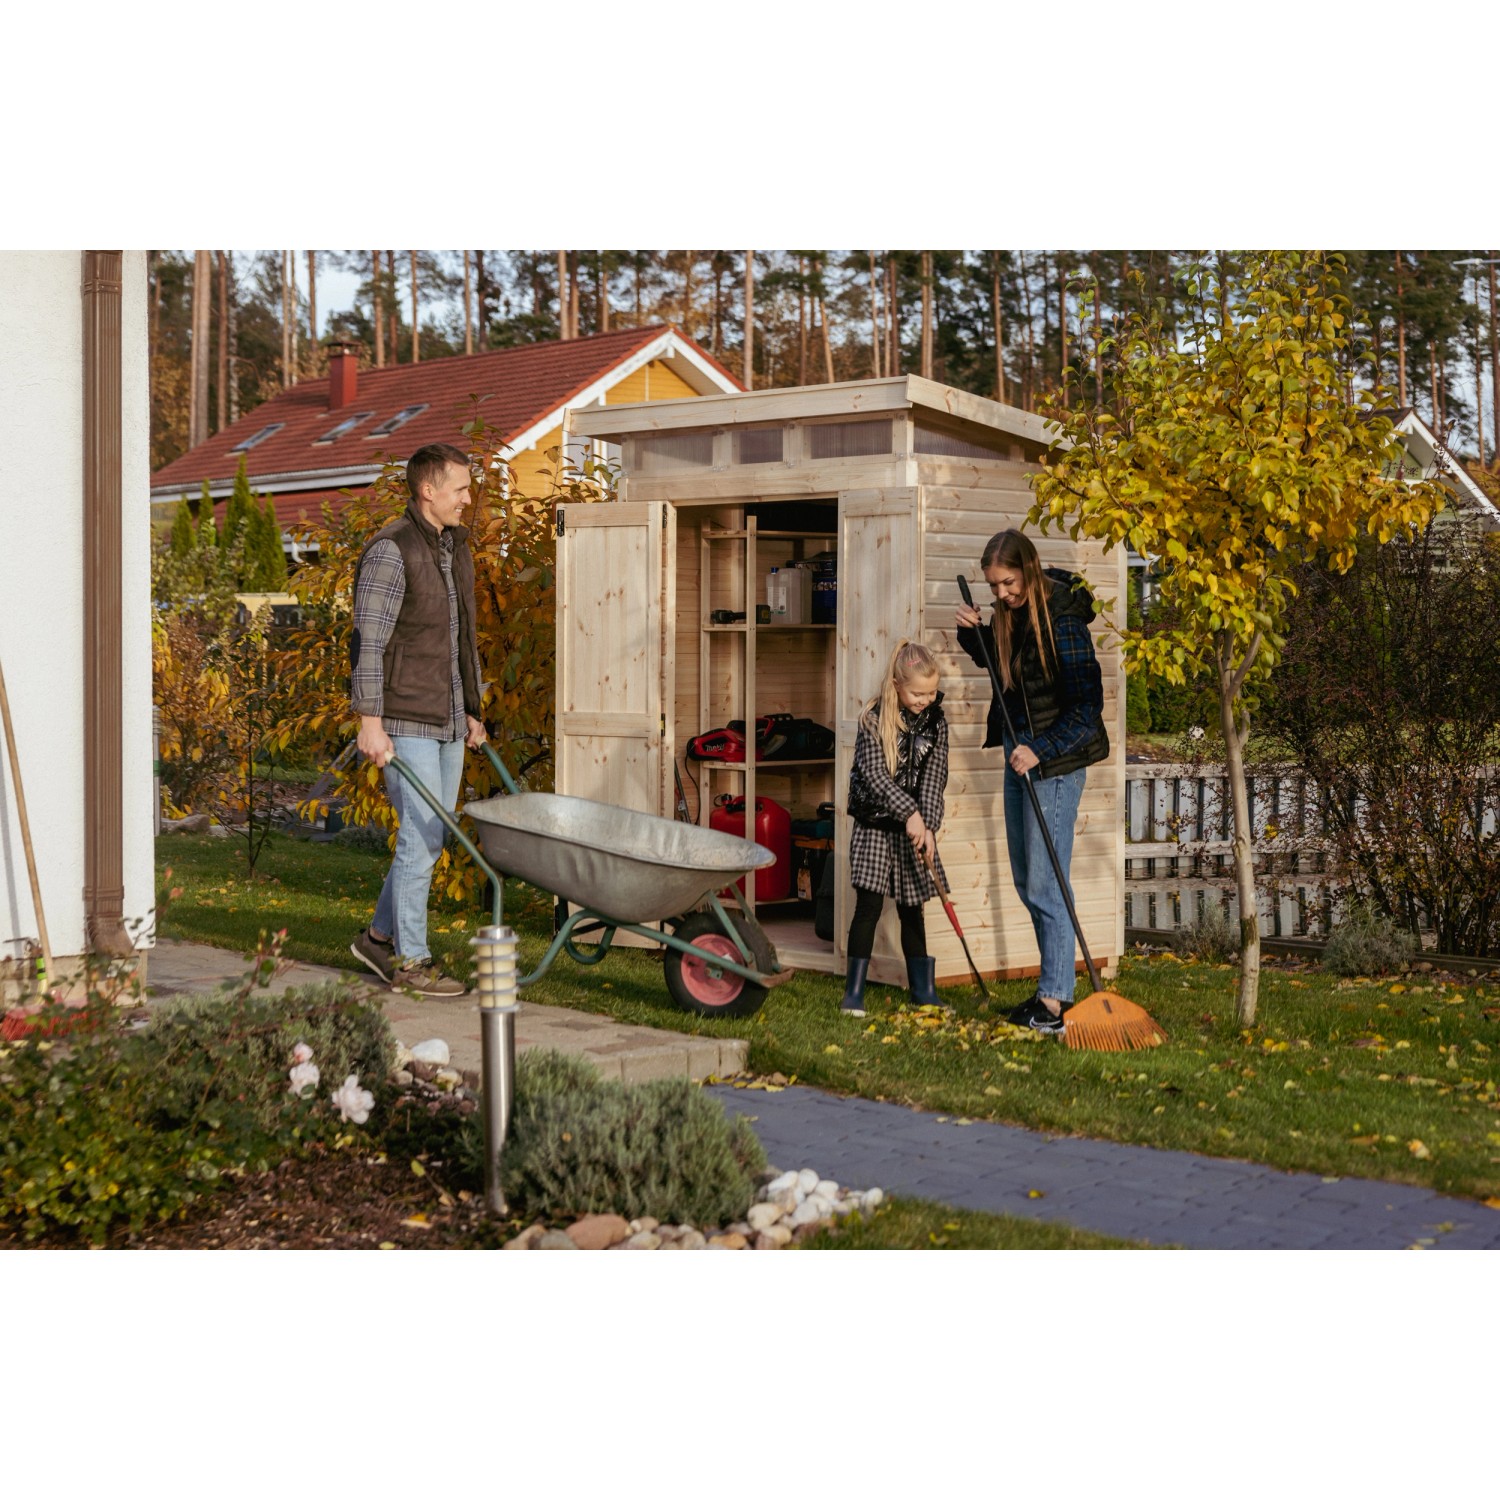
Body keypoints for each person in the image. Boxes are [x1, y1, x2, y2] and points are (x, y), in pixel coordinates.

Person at [955, 528, 1109, 1034]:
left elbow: (1087, 711)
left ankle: (1055, 1001)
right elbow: (1011, 679)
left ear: (1028, 568)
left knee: (1046, 882)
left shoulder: (1063, 621)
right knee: (1028, 878)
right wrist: (975, 636)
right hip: (1020, 755)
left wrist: (1039, 748)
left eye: (1007, 583)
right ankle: (1053, 988)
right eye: (994, 587)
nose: (1001, 594)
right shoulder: (1009, 617)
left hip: (1055, 765)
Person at [348, 442, 488, 996]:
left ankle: (378, 939)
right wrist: (369, 721)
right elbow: (369, 642)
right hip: (404, 719)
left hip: (447, 717)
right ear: (427, 490)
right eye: (459, 488)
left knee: (431, 836)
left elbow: (459, 640)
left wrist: (472, 712)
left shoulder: (453, 548)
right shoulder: (392, 549)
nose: (467, 498)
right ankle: (411, 960)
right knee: (419, 835)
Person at [841, 639, 950, 1017]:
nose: (925, 699)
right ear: (897, 686)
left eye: (931, 692)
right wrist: (909, 813)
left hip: (914, 830)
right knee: (868, 907)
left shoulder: (936, 721)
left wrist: (929, 826)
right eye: (918, 692)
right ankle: (853, 992)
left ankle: (923, 991)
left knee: (911, 908)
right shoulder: (873, 717)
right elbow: (873, 775)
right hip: (876, 824)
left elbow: (935, 778)